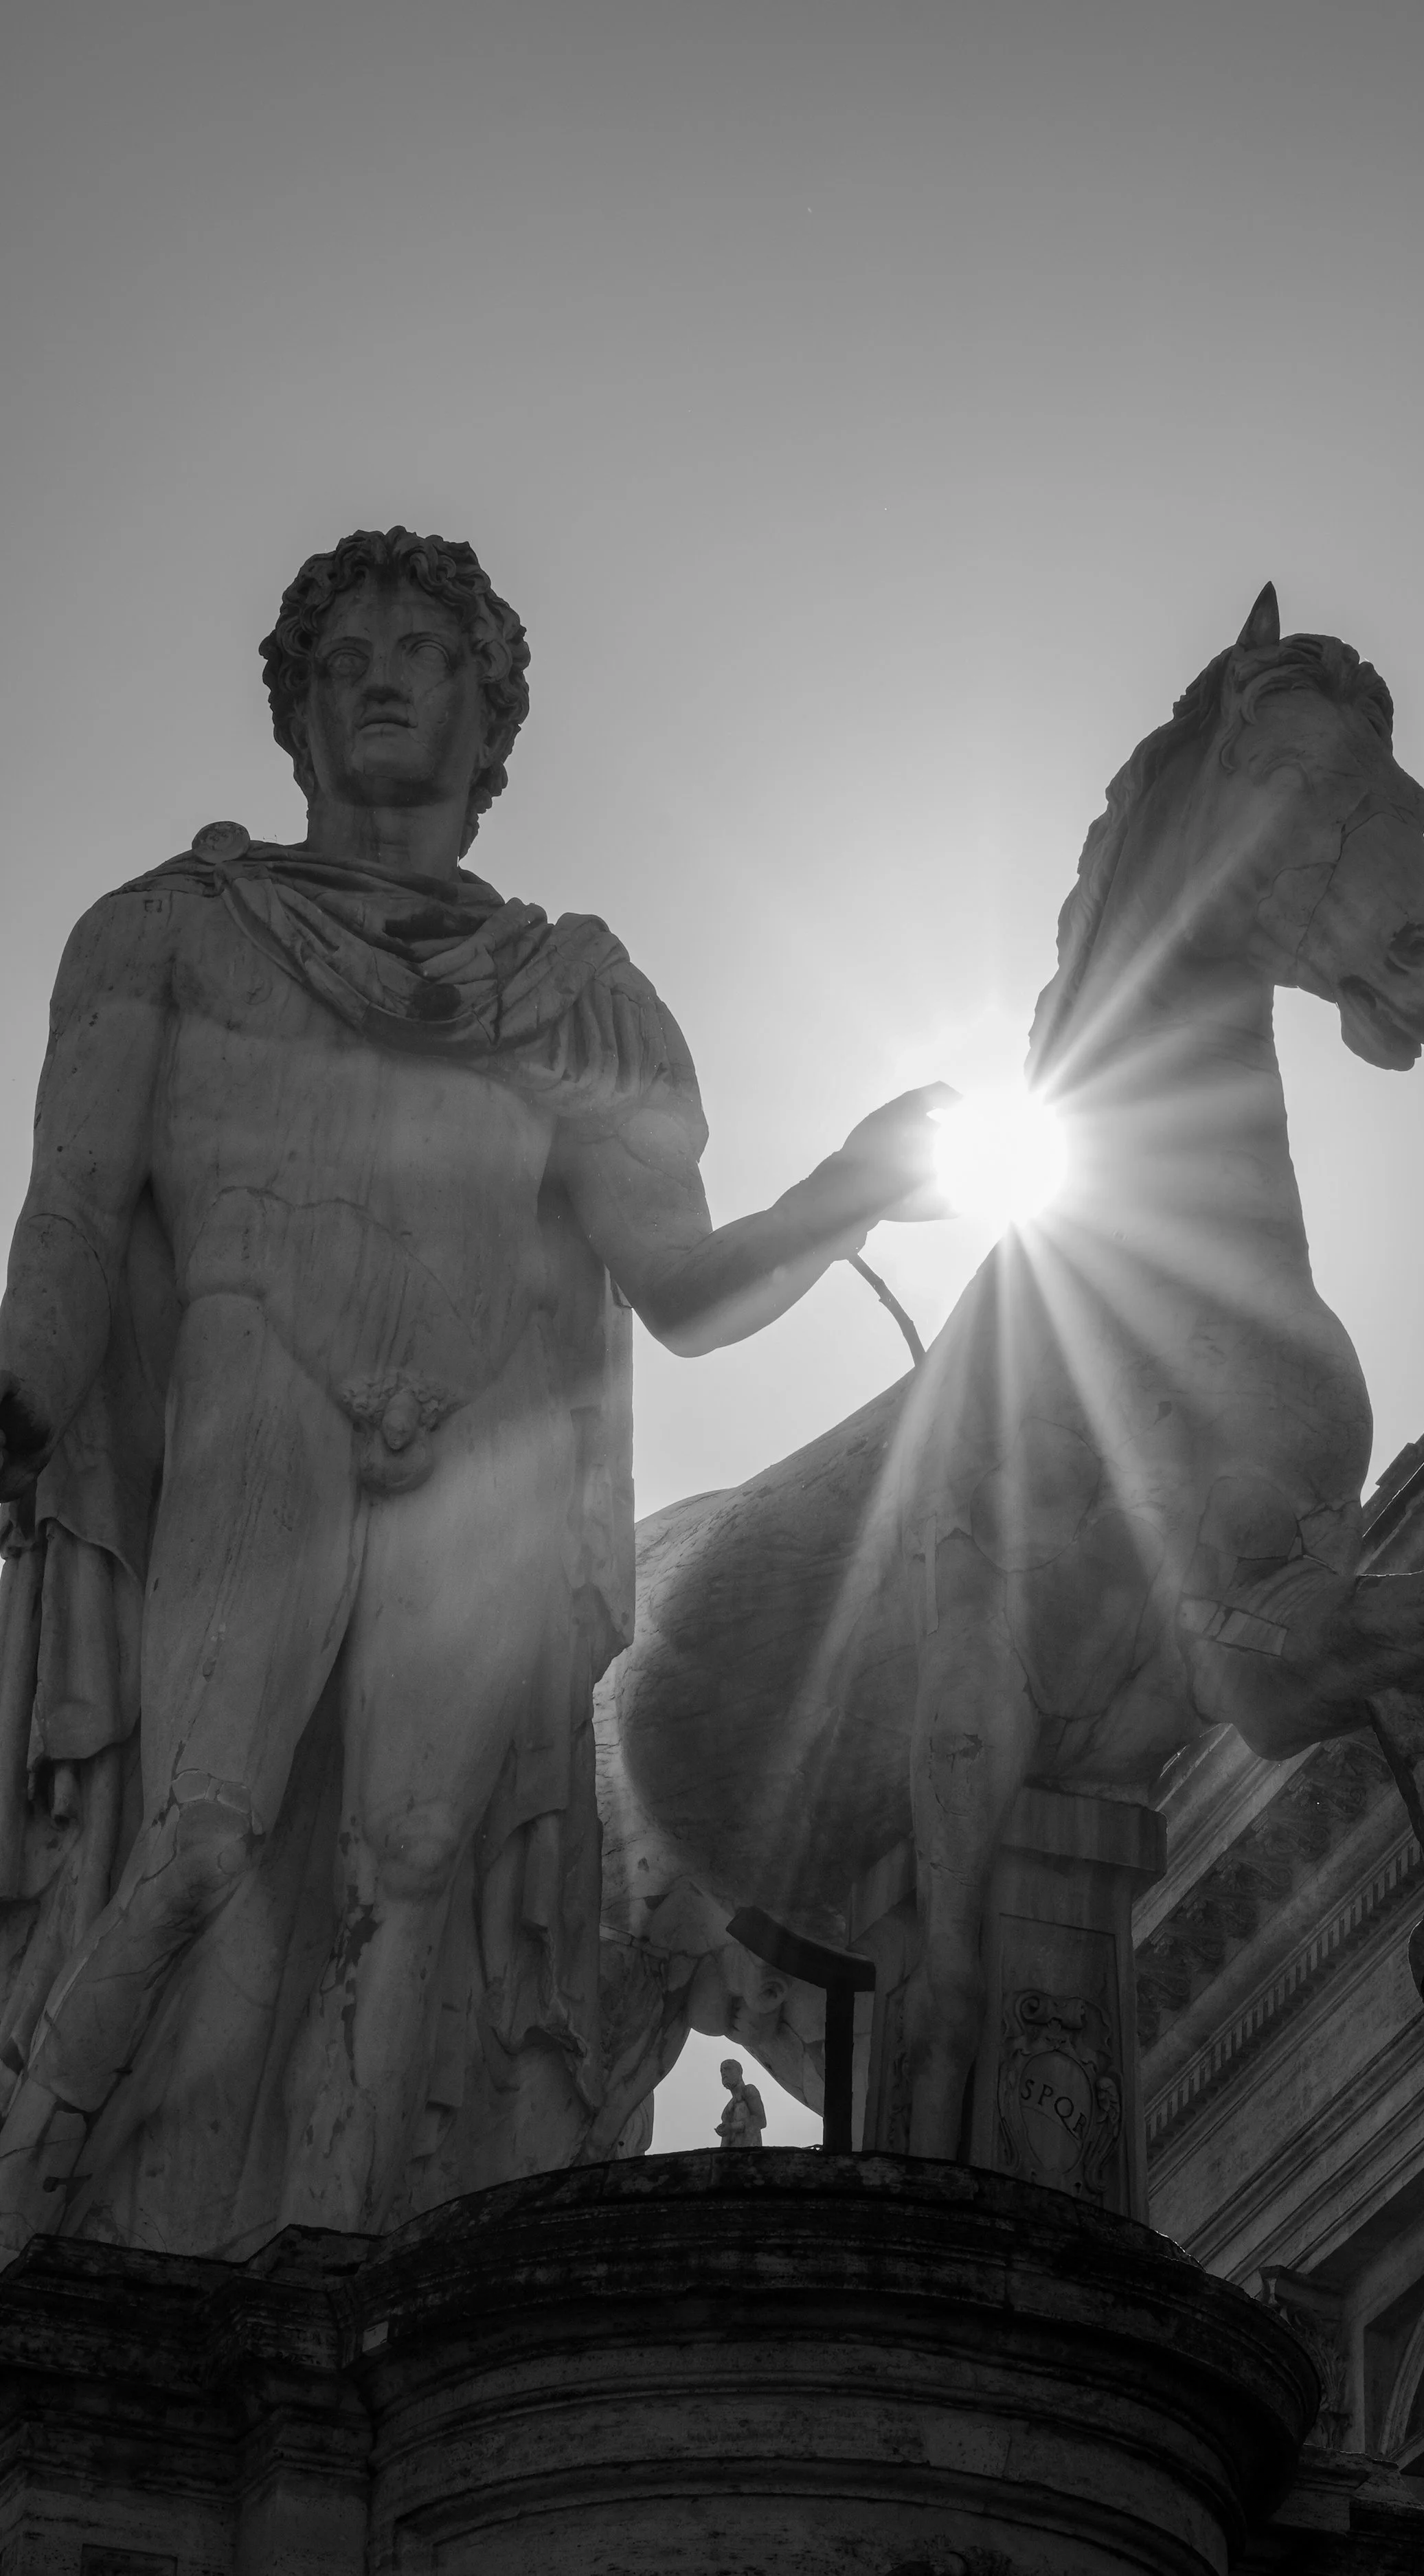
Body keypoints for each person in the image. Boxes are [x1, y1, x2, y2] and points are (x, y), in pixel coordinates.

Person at [0, 526, 944, 2253]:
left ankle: (339, 2269)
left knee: (413, 1866)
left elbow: (682, 1285)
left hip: (486, 1440)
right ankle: (28, 2187)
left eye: (425, 654)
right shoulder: (169, 934)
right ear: (291, 708)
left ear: (487, 719)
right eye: (345, 651)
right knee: (201, 1826)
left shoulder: (575, 995)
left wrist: (851, 1186)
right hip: (252, 1374)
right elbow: (66, 1222)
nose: (380, 674)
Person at [716, 2059, 767, 2149]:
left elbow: (761, 2121)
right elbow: (725, 2141)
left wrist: (732, 2127)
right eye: (721, 2070)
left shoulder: (749, 2090)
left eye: (728, 2069)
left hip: (750, 2152)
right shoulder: (727, 2110)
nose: (723, 2073)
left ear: (739, 2072)